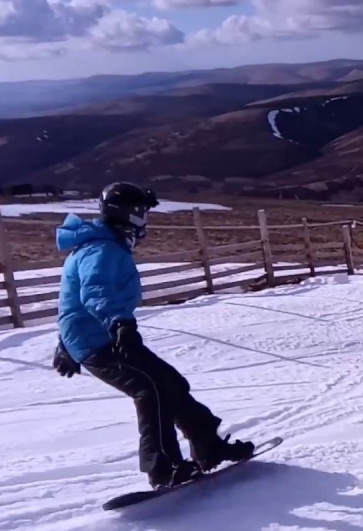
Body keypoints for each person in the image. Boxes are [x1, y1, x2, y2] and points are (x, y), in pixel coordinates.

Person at [50, 181, 255, 489]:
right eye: (141, 213)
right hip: (100, 339)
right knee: (150, 389)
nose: (144, 220)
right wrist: (119, 324)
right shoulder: (101, 249)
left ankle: (208, 445)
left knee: (170, 383)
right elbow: (95, 293)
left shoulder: (103, 245)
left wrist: (66, 343)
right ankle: (163, 467)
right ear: (128, 214)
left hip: (100, 334)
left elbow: (73, 299)